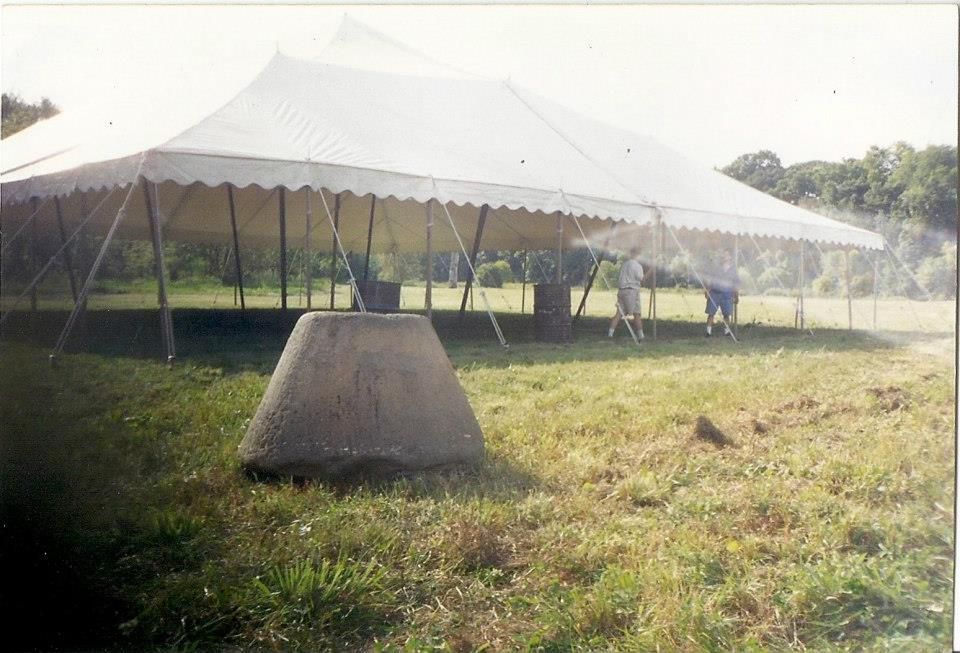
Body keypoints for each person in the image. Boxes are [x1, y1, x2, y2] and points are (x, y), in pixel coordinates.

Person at [608, 249, 646, 339]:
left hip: (621, 290)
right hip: (632, 291)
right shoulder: (637, 266)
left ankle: (610, 333)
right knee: (637, 313)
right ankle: (641, 335)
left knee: (618, 313)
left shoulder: (624, 265)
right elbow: (642, 279)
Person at [704, 250, 740, 336]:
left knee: (726, 314)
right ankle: (708, 332)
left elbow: (735, 283)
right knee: (711, 313)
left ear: (730, 257)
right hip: (715, 293)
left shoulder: (733, 270)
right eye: (724, 255)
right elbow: (710, 280)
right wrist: (707, 291)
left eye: (727, 255)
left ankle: (727, 331)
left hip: (727, 294)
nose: (725, 256)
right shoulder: (716, 268)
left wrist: (736, 296)